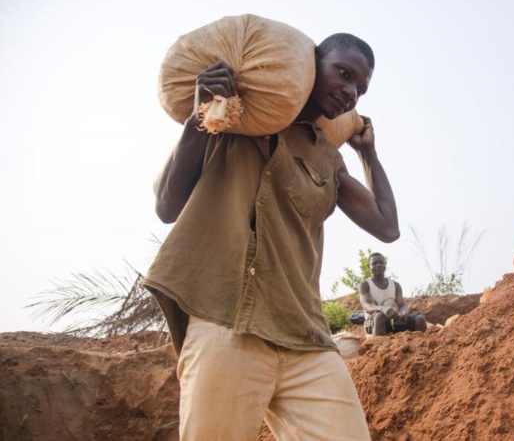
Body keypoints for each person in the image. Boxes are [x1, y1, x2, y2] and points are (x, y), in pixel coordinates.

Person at [142, 33, 397, 441]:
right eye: (343, 74)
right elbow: (166, 206)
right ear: (311, 67)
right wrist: (200, 114)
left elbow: (387, 227)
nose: (350, 92)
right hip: (228, 321)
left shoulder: (327, 156)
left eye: (360, 88)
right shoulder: (233, 120)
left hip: (305, 336)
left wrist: (367, 154)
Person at [358, 252, 427, 336]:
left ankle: (419, 344)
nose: (378, 265)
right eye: (374, 263)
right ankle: (379, 346)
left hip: (391, 320)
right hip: (372, 322)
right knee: (379, 316)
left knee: (419, 319)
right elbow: (366, 306)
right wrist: (382, 308)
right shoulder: (365, 285)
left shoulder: (395, 285)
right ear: (369, 267)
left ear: (385, 265)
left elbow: (402, 305)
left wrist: (403, 312)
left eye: (381, 263)